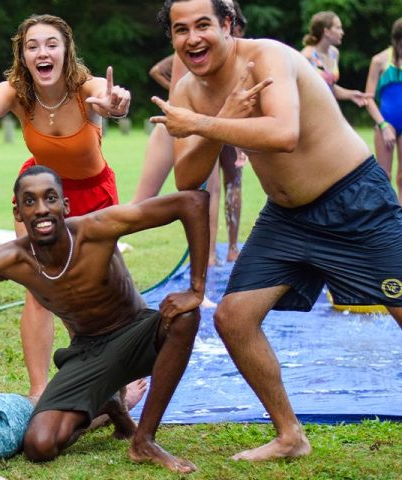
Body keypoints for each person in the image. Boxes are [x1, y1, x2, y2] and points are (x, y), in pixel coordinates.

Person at [153, 0, 402, 462]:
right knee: (233, 317)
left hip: (354, 200)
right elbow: (188, 179)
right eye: (180, 29)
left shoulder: (267, 56)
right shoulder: (187, 89)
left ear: (226, 24)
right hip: (288, 217)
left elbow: (283, 132)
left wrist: (206, 123)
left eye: (204, 24)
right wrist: (219, 118)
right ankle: (290, 435)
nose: (193, 39)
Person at [0, 167, 209, 473]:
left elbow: (192, 202)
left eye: (50, 198)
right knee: (39, 445)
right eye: (30, 202)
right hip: (88, 352)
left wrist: (196, 288)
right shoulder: (12, 259)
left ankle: (144, 439)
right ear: (18, 214)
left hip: (138, 334)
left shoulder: (97, 228)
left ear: (65, 205)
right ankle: (109, 403)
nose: (42, 209)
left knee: (184, 315)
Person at [0, 14, 131, 400]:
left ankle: (118, 382)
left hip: (92, 196)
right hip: (42, 195)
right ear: (23, 54)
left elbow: (112, 98)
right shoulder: (16, 91)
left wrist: (117, 102)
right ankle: (38, 390)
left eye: (51, 44)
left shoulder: (84, 87)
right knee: (39, 287)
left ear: (65, 50)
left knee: (104, 289)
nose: (42, 52)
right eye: (32, 46)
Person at [132, 0, 247, 266]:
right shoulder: (193, 49)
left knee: (208, 192)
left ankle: (212, 259)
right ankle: (86, 233)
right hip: (179, 127)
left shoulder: (218, 51)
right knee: (146, 204)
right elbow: (181, 90)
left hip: (196, 125)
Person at [364, 17, 402, 202]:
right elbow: (368, 98)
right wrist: (383, 125)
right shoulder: (379, 60)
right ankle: (386, 222)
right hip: (386, 121)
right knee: (383, 177)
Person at [300, 11, 368, 108]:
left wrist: (351, 94)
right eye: (338, 28)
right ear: (326, 31)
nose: (342, 32)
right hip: (309, 110)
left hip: (328, 109)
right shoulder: (306, 56)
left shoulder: (334, 53)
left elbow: (329, 87)